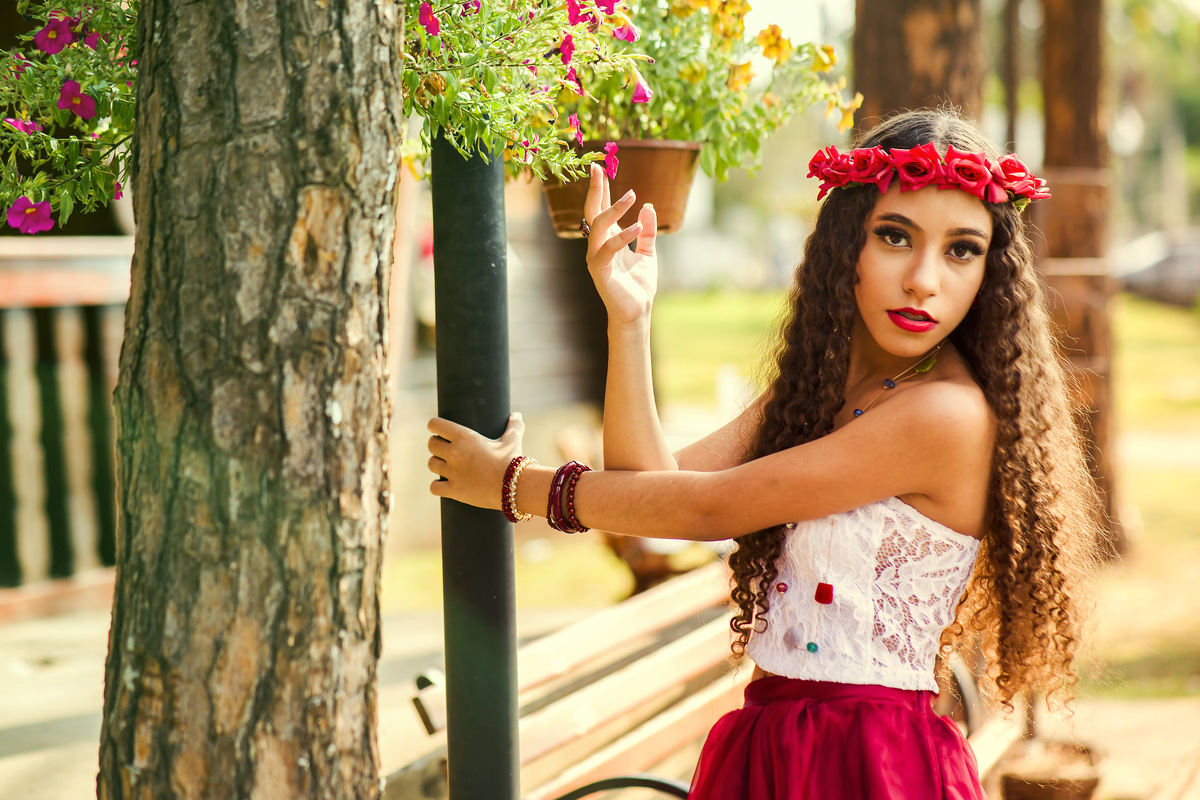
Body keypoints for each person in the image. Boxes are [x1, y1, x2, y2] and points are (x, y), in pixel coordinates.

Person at [425, 109, 1101, 799]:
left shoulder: (944, 415)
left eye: (962, 249)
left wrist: (517, 485)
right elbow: (655, 490)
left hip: (870, 764)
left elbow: (712, 508)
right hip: (773, 746)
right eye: (896, 237)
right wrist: (629, 320)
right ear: (848, 247)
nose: (925, 279)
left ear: (991, 270)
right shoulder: (827, 387)